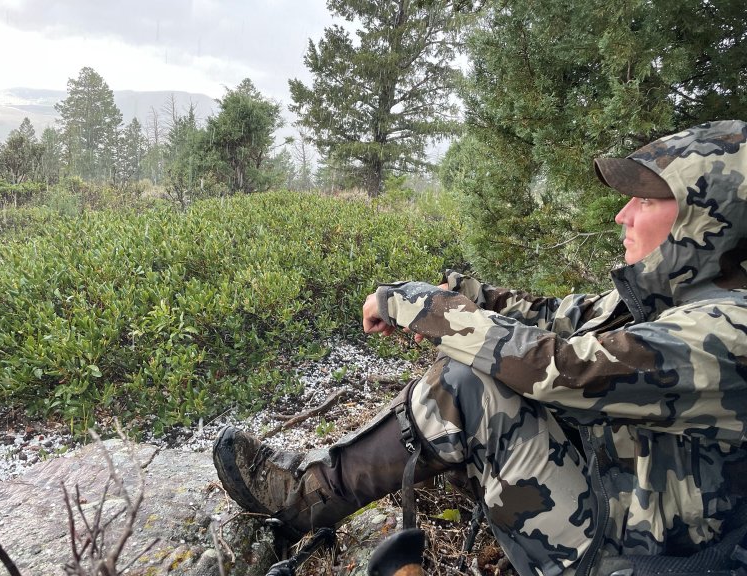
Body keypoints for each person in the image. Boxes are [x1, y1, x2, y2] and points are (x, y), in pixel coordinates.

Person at [213, 120, 747, 576]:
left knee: (470, 384)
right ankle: (317, 490)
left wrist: (417, 306)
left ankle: (307, 495)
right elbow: (557, 318)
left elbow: (565, 369)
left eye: (648, 199)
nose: (623, 215)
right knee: (480, 374)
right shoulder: (675, 297)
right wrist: (459, 293)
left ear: (708, 220)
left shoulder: (726, 331)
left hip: (647, 558)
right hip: (629, 507)